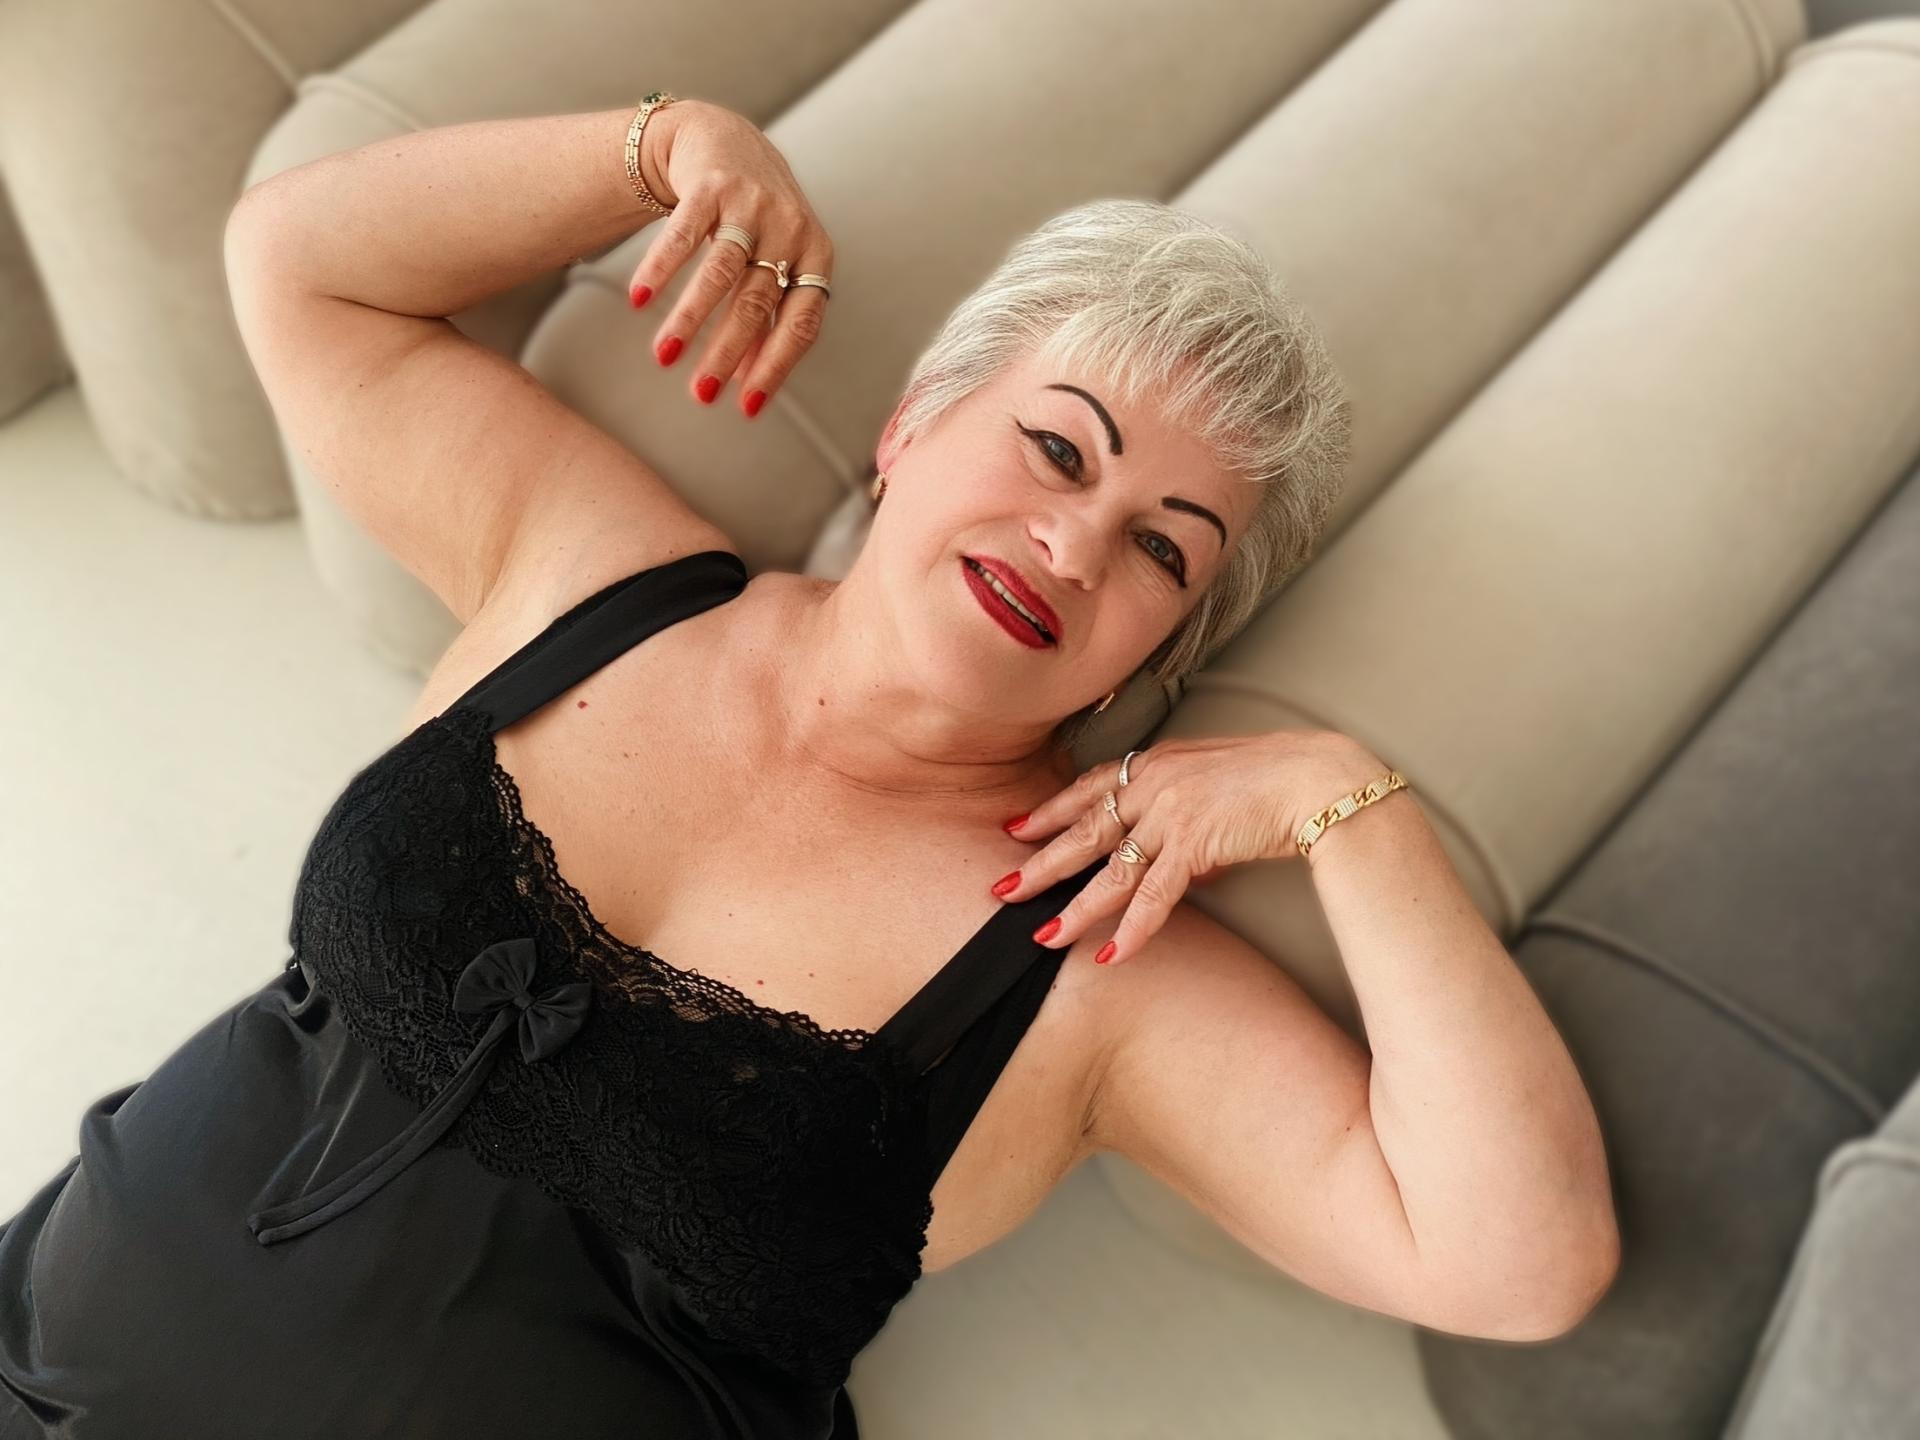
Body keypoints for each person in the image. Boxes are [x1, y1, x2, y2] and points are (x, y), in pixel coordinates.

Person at [0, 95, 1355, 1438]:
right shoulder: (598, 573)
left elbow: (1470, 1248)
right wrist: (661, 148)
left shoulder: (1088, 952)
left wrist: (1344, 802)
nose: (1072, 545)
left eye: (1162, 550)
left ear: (1154, 654)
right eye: (1057, 450)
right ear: (909, 432)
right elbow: (300, 266)